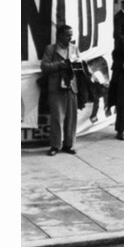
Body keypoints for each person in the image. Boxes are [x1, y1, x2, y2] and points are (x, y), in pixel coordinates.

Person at [40, 25, 82, 156]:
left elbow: (79, 63)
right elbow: (44, 66)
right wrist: (59, 65)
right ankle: (55, 145)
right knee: (57, 118)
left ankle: (68, 144)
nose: (70, 37)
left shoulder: (74, 48)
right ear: (60, 35)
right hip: (56, 87)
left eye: (71, 35)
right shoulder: (50, 49)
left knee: (71, 118)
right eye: (68, 35)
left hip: (71, 86)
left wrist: (77, 66)